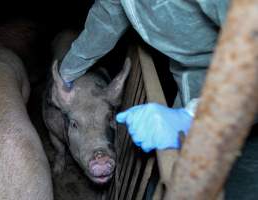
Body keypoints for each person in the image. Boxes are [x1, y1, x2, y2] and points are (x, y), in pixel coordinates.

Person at [58, 0, 230, 152]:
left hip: (229, 91)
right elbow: (106, 19)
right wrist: (67, 70)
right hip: (186, 74)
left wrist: (198, 114)